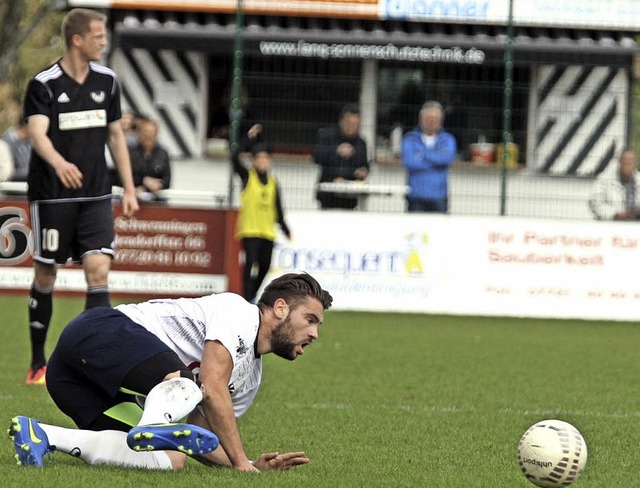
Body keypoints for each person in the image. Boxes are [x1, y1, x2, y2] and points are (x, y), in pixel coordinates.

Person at [9, 272, 333, 472]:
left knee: (169, 460)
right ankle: (151, 425)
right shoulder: (240, 312)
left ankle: (43, 436)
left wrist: (248, 465)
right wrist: (240, 463)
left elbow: (200, 438)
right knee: (195, 385)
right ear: (279, 308)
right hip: (96, 332)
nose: (315, 334)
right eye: (311, 319)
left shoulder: (250, 379)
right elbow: (212, 385)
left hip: (71, 380)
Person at [21, 8, 139, 386]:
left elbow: (116, 136)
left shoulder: (107, 81)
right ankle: (38, 361)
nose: (104, 42)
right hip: (53, 197)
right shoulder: (45, 83)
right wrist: (59, 164)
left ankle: (92, 363)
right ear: (77, 39)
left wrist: (130, 187)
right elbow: (37, 133)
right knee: (45, 272)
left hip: (96, 195)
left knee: (98, 270)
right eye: (98, 36)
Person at [233, 124, 291, 302]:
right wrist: (248, 138)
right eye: (259, 158)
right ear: (254, 160)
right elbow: (234, 158)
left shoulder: (273, 182)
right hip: (250, 230)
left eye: (266, 158)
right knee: (250, 265)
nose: (263, 161)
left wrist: (285, 228)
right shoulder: (247, 176)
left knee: (265, 267)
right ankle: (247, 299)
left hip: (267, 231)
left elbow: (278, 207)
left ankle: (251, 296)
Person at [401, 101, 457, 213]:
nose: (431, 121)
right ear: (420, 119)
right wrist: (436, 160)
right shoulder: (410, 138)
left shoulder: (448, 139)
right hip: (415, 197)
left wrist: (421, 155)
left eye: (435, 118)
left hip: (439, 197)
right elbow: (410, 162)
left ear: (441, 121)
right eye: (428, 118)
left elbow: (446, 159)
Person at [313, 104, 370, 210]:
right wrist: (336, 151)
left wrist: (363, 171)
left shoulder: (361, 142)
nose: (352, 128)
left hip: (350, 195)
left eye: (356, 125)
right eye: (349, 123)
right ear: (342, 121)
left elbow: (365, 164)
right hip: (328, 193)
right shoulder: (326, 136)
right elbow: (317, 157)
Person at [127, 117, 171, 201]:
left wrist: (160, 184)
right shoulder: (129, 152)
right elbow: (121, 176)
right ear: (139, 134)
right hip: (134, 196)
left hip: (157, 199)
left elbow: (167, 180)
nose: (148, 136)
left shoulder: (163, 154)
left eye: (151, 133)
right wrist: (144, 181)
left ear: (156, 134)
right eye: (145, 132)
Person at [589, 148, 640, 220]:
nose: (627, 165)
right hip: (612, 225)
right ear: (619, 162)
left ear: (635, 163)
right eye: (625, 161)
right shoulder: (604, 179)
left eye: (630, 162)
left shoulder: (638, 180)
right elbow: (595, 203)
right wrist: (615, 214)